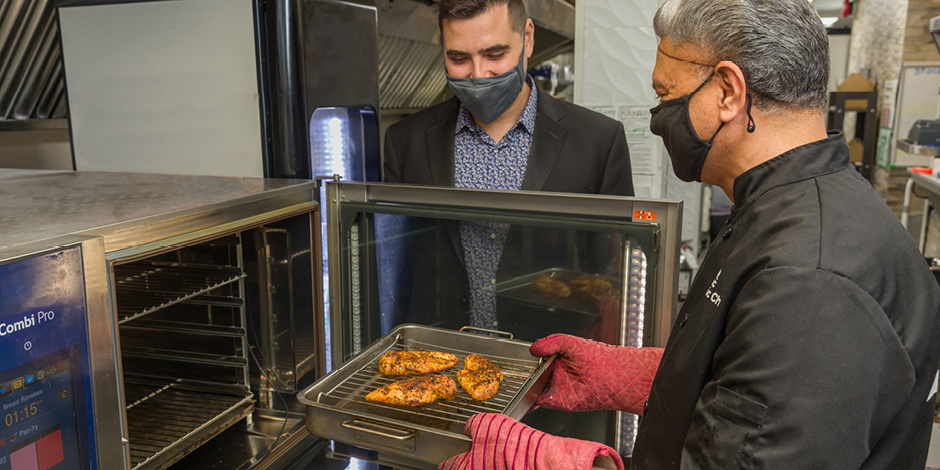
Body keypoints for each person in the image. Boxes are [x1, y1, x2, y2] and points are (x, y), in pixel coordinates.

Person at [439, 0, 940, 468]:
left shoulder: (810, 277)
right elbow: (756, 387)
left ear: (727, 92)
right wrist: (642, 377)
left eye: (666, 94)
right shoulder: (780, 207)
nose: (659, 119)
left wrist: (556, 462)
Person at [382, 0, 633, 332]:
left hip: (551, 363)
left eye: (495, 55)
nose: (478, 75)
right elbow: (396, 274)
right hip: (441, 361)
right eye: (458, 58)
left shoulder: (599, 141)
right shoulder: (406, 142)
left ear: (528, 38)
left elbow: (611, 279)